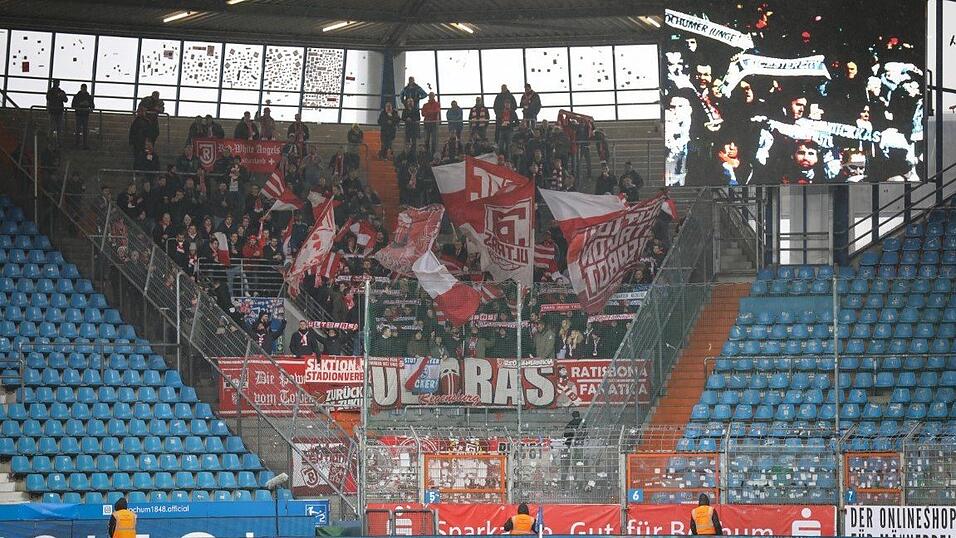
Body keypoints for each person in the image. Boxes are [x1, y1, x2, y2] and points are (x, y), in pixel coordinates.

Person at [71, 84, 94, 149]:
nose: (84, 90)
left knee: (82, 130)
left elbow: (92, 106)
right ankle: (81, 144)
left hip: (82, 115)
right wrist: (83, 104)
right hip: (82, 115)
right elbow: (73, 105)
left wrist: (84, 104)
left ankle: (81, 144)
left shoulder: (77, 96)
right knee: (80, 130)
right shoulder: (87, 97)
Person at [46, 79, 67, 145]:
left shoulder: (54, 91)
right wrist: (59, 96)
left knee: (58, 128)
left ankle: (56, 142)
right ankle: (52, 142)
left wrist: (62, 96)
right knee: (53, 128)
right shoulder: (51, 92)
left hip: (57, 111)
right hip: (54, 111)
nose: (56, 84)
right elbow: (48, 98)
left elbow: (66, 100)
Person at [422, 92, 441, 158]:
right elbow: (423, 113)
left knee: (434, 140)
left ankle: (432, 154)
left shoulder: (437, 104)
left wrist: (428, 112)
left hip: (433, 123)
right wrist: (431, 112)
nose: (431, 97)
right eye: (430, 95)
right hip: (427, 124)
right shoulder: (425, 105)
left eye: (432, 95)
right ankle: (427, 154)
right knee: (426, 139)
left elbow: (437, 111)